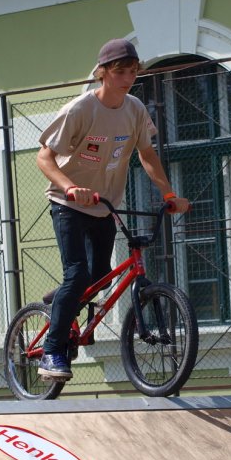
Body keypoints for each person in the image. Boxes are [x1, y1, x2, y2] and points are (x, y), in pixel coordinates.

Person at [35, 38, 190, 380]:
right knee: (77, 274)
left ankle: (62, 300)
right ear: (102, 73)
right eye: (120, 72)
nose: (128, 79)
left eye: (133, 72)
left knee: (99, 277)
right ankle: (52, 352)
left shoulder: (134, 109)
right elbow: (44, 157)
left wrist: (169, 194)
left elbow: (146, 155)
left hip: (103, 206)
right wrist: (70, 187)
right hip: (68, 204)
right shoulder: (81, 109)